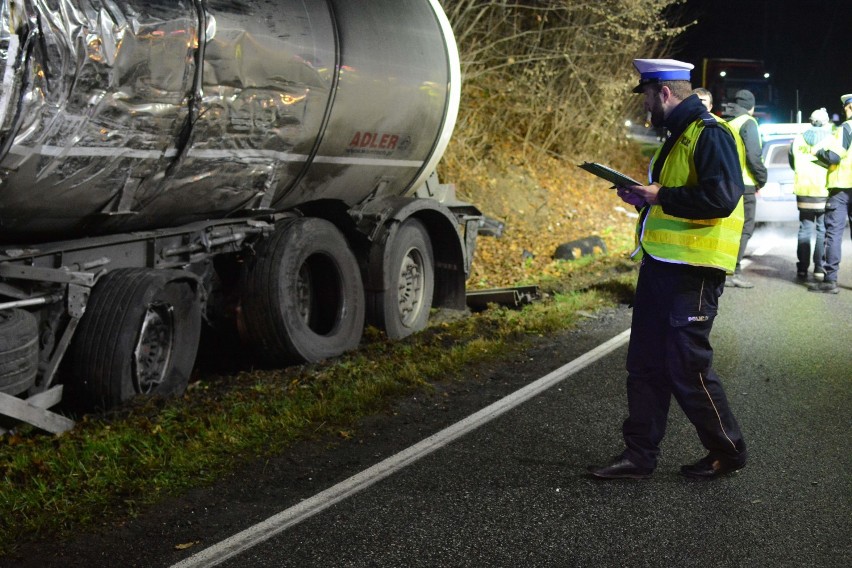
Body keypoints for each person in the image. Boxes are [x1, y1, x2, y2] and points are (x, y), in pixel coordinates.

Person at [588, 58, 748, 480]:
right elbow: (672, 195)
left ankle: (728, 451)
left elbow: (722, 198)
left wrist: (659, 196)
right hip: (661, 266)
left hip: (694, 272)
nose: (643, 107)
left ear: (664, 93)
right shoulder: (676, 137)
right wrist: (645, 197)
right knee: (644, 365)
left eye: (645, 97)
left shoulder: (710, 133)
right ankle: (638, 456)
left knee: (687, 368)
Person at [722, 90, 767, 288]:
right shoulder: (748, 122)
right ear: (752, 107)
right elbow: (753, 156)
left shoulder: (726, 121)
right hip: (745, 184)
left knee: (728, 228)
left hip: (724, 183)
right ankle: (733, 270)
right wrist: (761, 179)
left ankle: (722, 267)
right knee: (744, 228)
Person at [811, 93, 852, 294]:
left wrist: (819, 152)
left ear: (849, 108)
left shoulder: (846, 128)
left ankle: (830, 280)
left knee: (834, 233)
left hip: (842, 187)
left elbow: (835, 156)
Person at [789, 108, 832, 281]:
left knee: (805, 229)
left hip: (803, 190)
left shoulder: (798, 139)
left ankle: (802, 269)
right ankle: (819, 268)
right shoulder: (831, 139)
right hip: (823, 190)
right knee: (822, 230)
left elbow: (792, 161)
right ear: (826, 122)